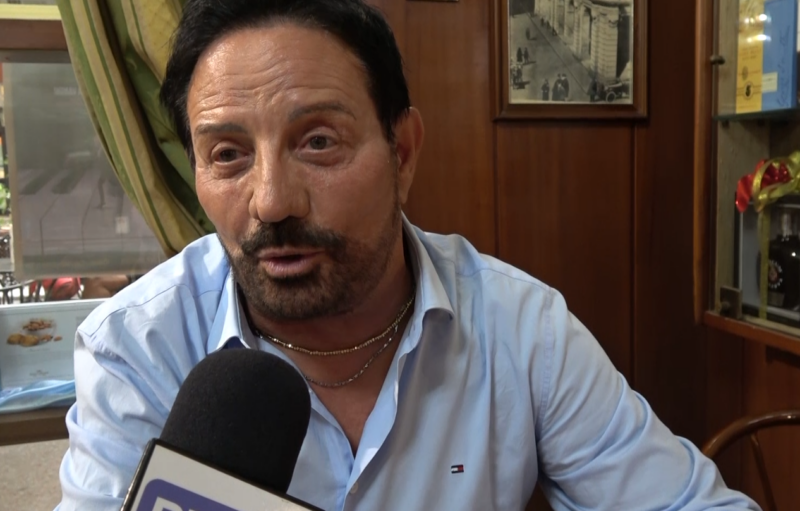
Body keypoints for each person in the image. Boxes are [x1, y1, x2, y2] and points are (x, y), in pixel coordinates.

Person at [56, 1, 761, 510]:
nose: (271, 201)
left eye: (318, 142)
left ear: (403, 152)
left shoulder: (522, 330)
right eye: (227, 155)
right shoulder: (139, 346)